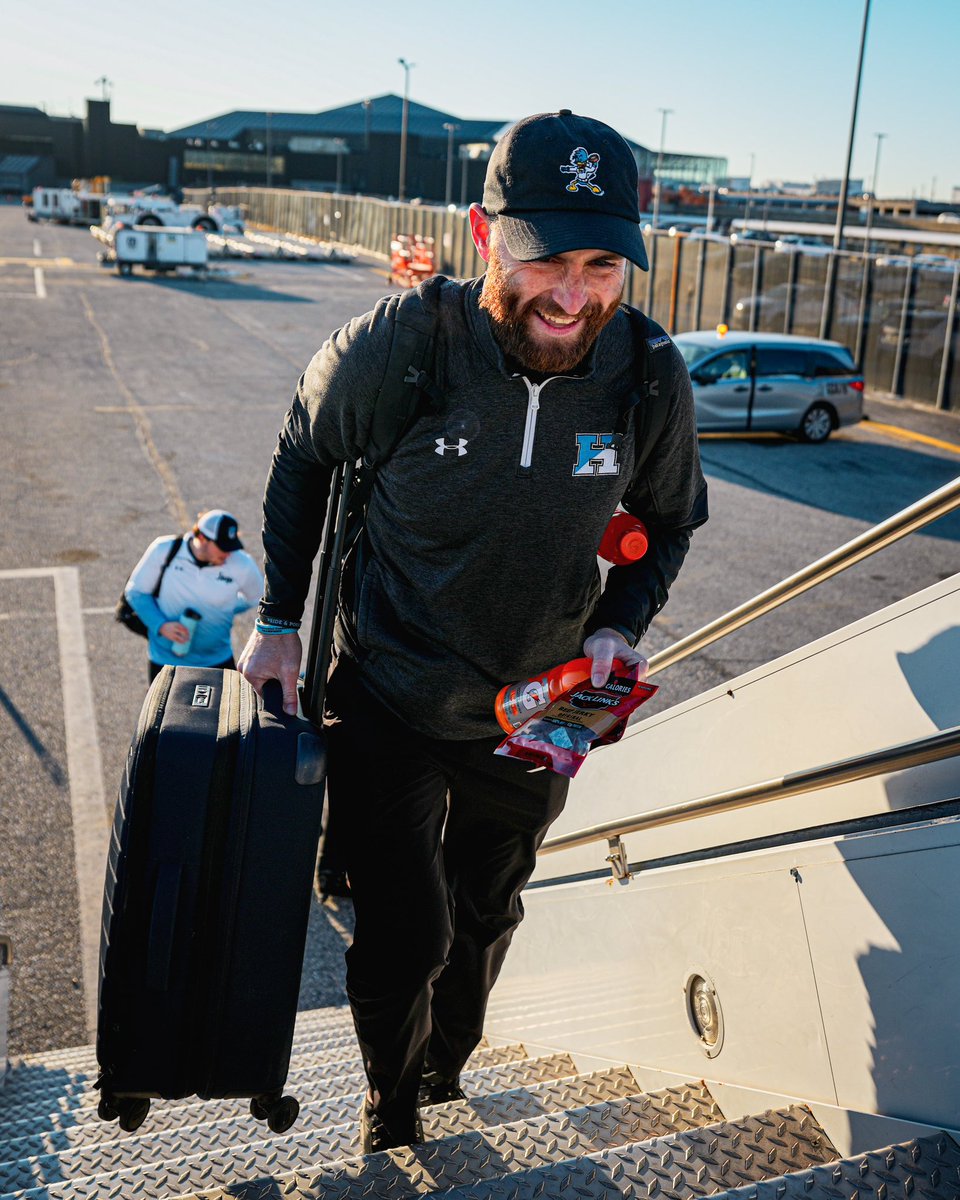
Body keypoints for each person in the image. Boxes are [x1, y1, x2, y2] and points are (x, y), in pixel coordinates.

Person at [238, 109, 708, 1153]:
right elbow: (303, 451)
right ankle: (391, 1101)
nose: (572, 295)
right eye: (546, 261)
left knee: (488, 917)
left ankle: (446, 1068)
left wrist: (622, 625)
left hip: (540, 709)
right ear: (483, 231)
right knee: (408, 932)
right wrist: (276, 618)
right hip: (394, 693)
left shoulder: (645, 371)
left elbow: (672, 520)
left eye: (601, 265)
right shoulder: (405, 343)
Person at [125, 509, 263, 681]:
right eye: (223, 547)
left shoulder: (242, 564)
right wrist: (161, 626)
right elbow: (136, 592)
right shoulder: (164, 550)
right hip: (166, 662)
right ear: (202, 538)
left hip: (217, 660)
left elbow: (257, 597)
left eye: (232, 546)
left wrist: (223, 607)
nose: (228, 554)